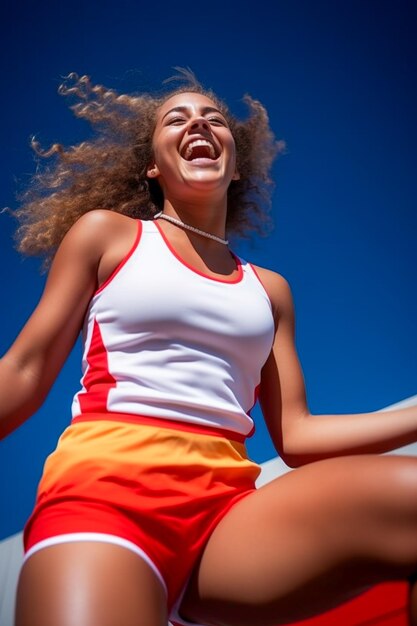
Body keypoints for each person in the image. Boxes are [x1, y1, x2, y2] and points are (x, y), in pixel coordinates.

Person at [1, 68, 417, 626]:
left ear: (236, 164)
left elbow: (296, 433)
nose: (197, 122)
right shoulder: (109, 235)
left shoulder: (269, 291)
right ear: (153, 165)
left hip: (228, 518)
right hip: (107, 496)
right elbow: (24, 371)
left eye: (213, 118)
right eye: (177, 118)